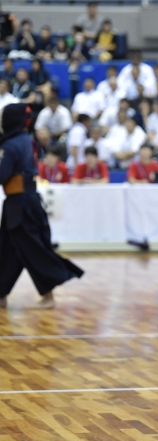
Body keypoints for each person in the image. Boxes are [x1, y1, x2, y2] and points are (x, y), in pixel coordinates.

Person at [0, 104, 84, 310]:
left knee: (33, 249)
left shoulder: (10, 145)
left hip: (20, 204)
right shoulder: (25, 140)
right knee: (8, 250)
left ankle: (48, 295)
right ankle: (0, 294)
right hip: (24, 201)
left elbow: (2, 175)